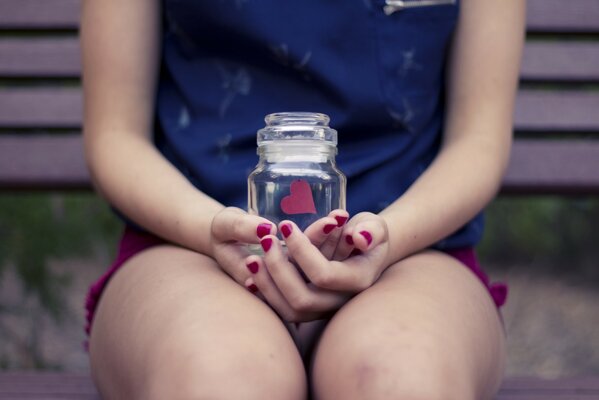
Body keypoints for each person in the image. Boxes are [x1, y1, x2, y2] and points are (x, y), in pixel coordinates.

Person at [81, 0, 524, 398]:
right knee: (219, 380)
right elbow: (116, 136)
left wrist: (387, 237)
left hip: (414, 251)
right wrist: (210, 227)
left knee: (402, 380)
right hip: (187, 247)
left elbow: (478, 142)